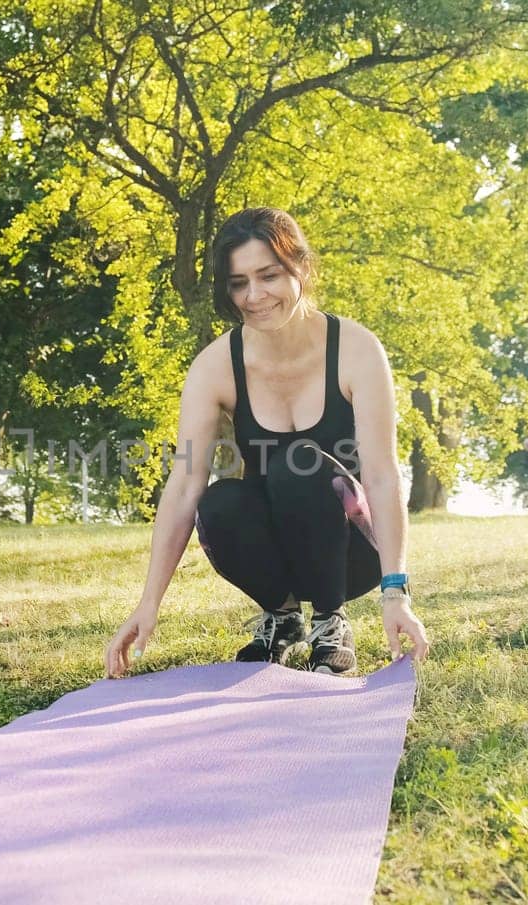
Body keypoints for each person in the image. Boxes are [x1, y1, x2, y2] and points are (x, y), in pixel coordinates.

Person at [103, 208, 429, 679]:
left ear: (301, 267)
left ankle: (330, 623)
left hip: (351, 551)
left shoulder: (356, 349)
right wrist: (147, 604)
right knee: (218, 500)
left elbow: (381, 473)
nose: (254, 296)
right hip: (272, 552)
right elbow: (184, 483)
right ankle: (282, 617)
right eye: (238, 283)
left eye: (269, 275)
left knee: (295, 465)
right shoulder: (215, 365)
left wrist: (396, 592)